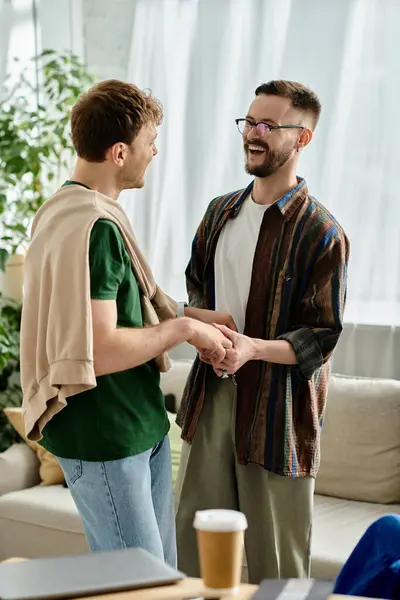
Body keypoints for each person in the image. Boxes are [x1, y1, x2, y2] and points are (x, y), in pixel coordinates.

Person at [19, 80, 235, 568]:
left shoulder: (61, 210)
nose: (154, 152)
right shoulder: (95, 228)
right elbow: (102, 346)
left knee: (162, 580)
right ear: (119, 153)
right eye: (148, 143)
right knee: (138, 587)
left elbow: (124, 306)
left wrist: (198, 317)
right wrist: (185, 331)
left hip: (137, 426)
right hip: (107, 435)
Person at [175, 80, 350, 583]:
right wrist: (203, 333)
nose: (254, 133)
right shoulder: (219, 213)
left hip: (279, 416)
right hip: (211, 398)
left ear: (302, 139)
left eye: (269, 125)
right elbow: (195, 293)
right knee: (195, 552)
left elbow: (321, 335)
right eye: (250, 122)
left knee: (280, 569)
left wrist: (251, 349)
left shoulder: (323, 233)